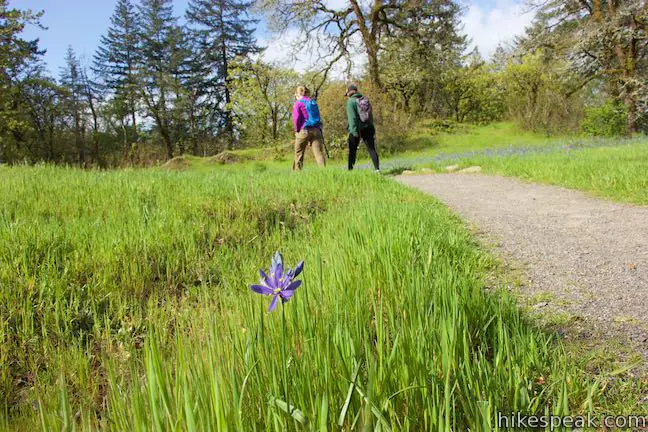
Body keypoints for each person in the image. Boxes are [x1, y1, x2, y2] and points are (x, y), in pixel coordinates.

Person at [345, 84, 379, 172]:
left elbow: (352, 118)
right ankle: (377, 170)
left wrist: (354, 133)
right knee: (371, 149)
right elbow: (369, 115)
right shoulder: (364, 100)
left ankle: (350, 171)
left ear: (349, 93)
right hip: (369, 127)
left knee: (352, 151)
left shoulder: (350, 102)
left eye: (347, 94)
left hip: (357, 129)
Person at [292, 86, 326, 171]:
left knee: (298, 154)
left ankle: (297, 175)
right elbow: (318, 116)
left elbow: (296, 118)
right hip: (316, 130)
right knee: (319, 154)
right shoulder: (313, 102)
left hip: (304, 130)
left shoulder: (298, 103)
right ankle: (325, 173)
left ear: (297, 94)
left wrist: (296, 130)